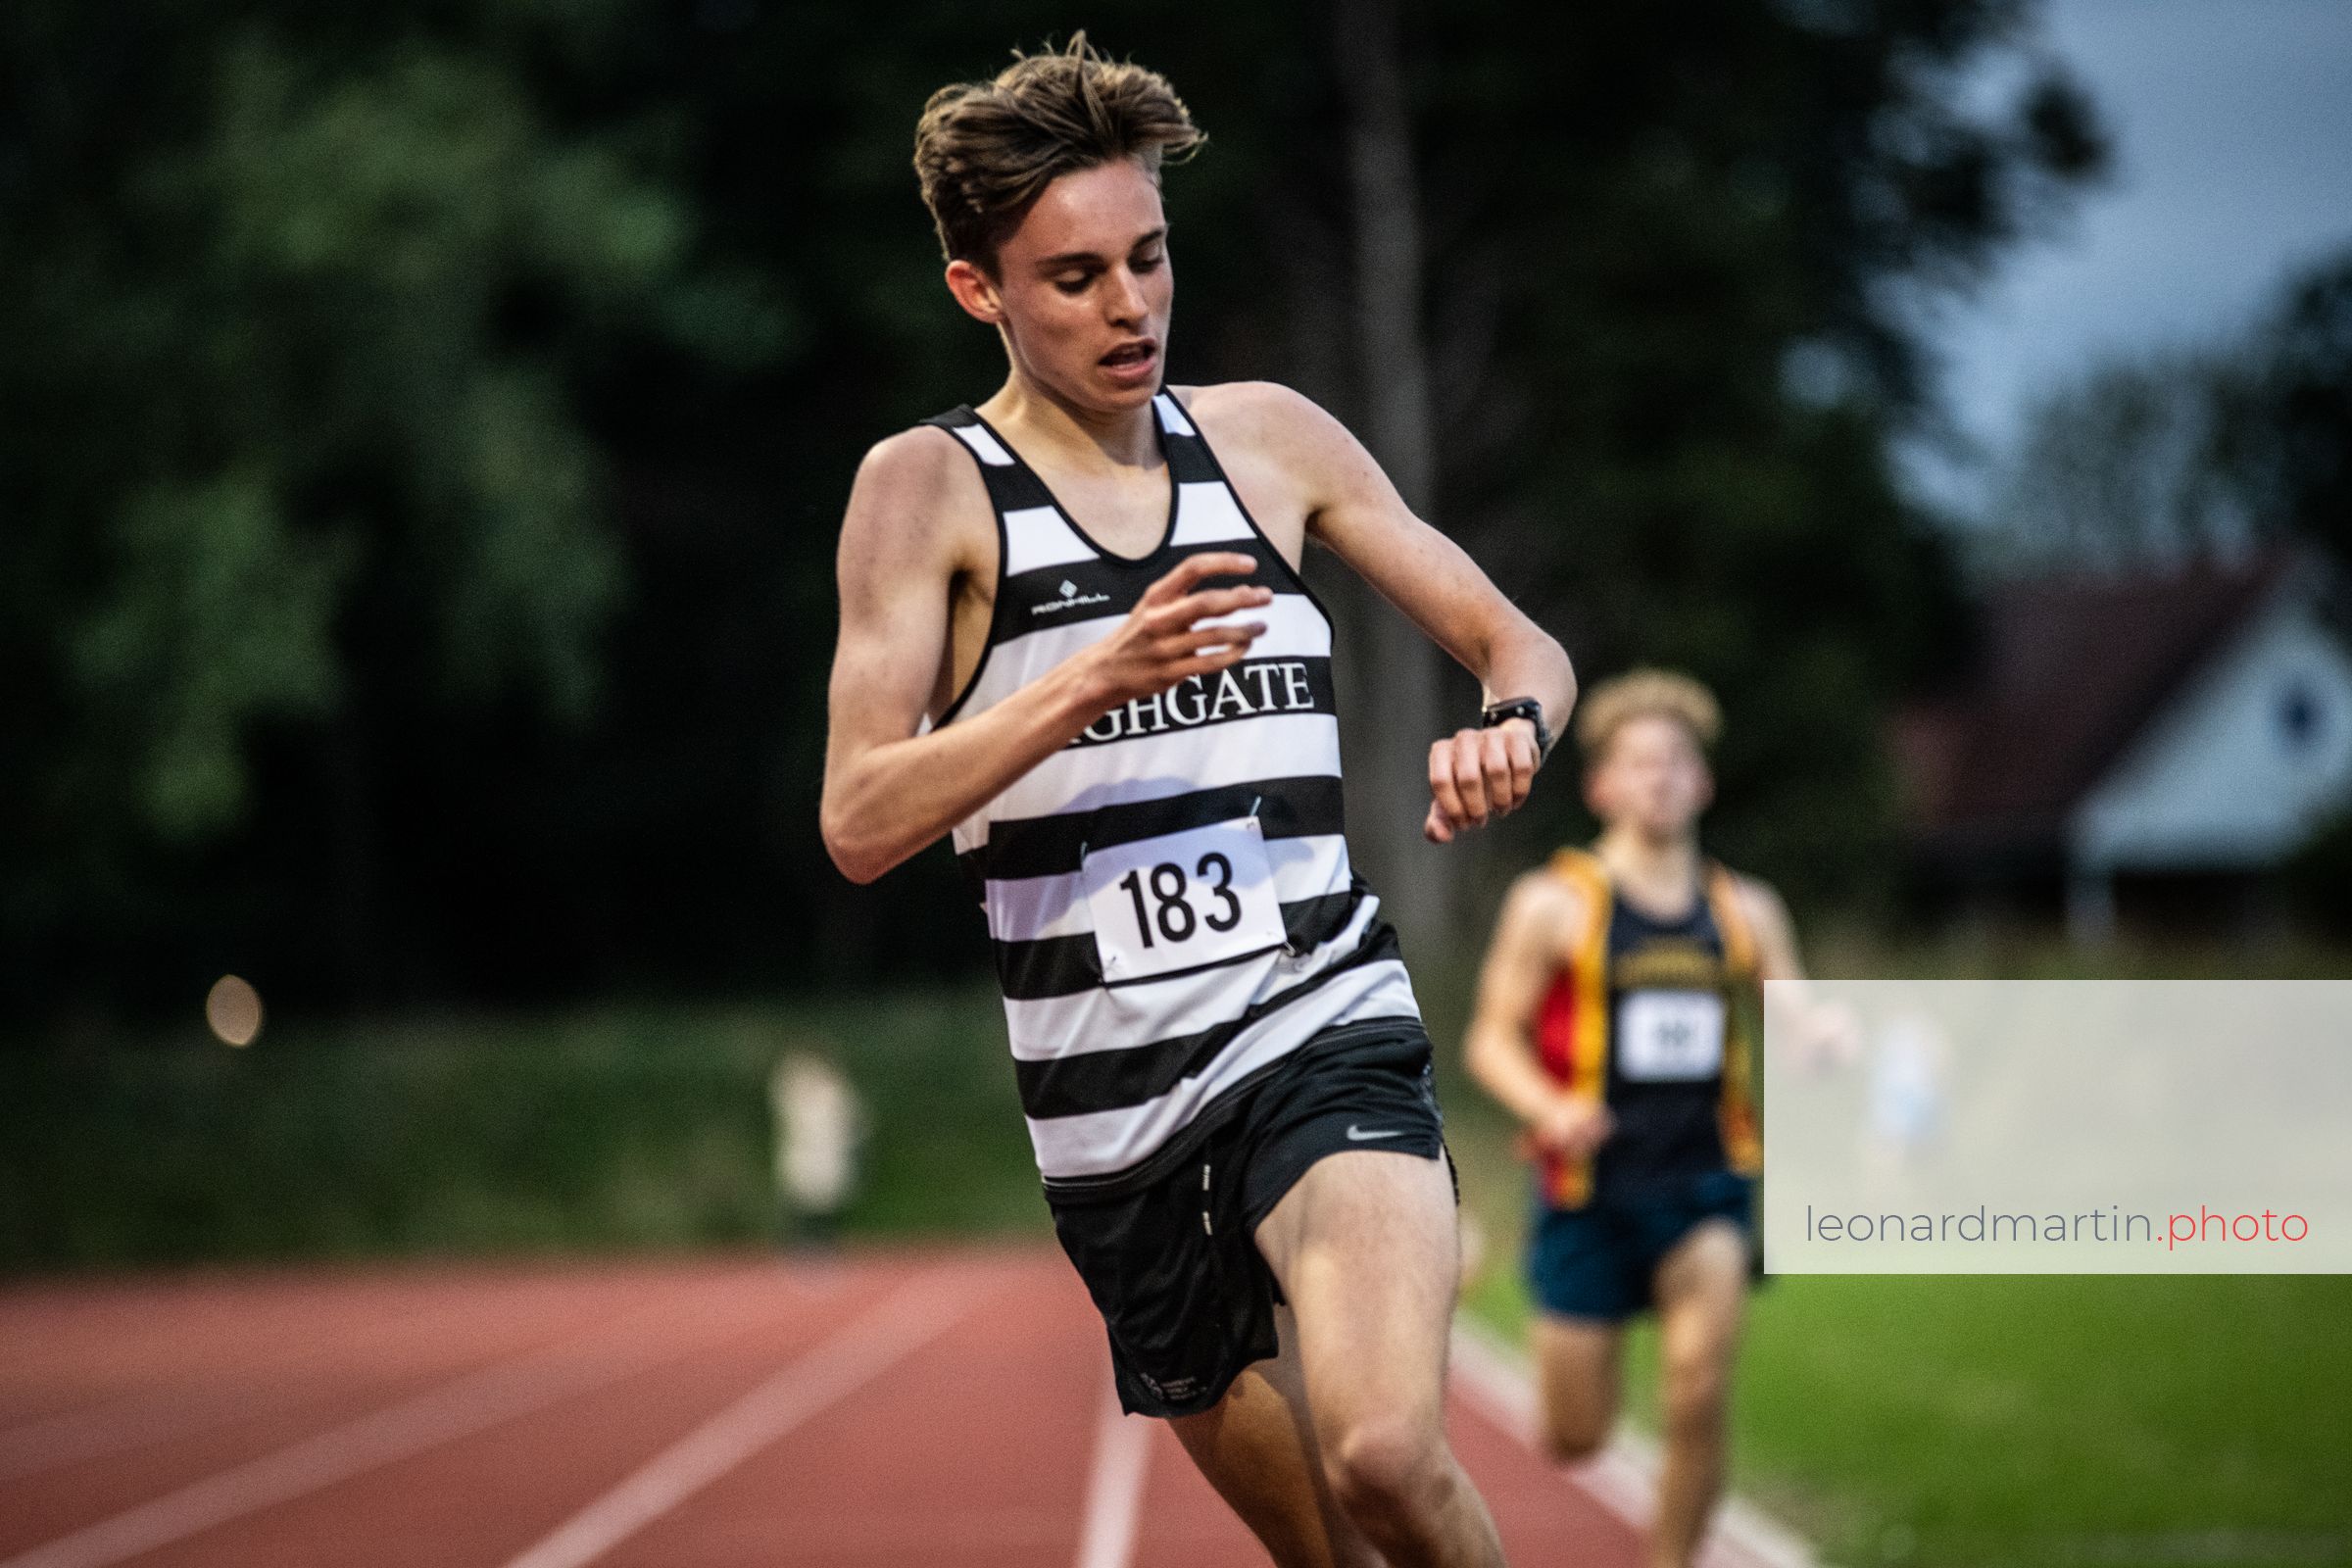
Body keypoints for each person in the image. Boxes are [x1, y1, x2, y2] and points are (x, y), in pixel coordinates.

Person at [818, 36, 1574, 1568]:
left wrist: (1512, 728)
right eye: (1075, 276)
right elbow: (859, 817)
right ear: (979, 290)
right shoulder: (927, 489)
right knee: (1329, 1552)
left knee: (1385, 1454)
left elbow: (1522, 645)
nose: (1131, 306)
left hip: (1319, 1024)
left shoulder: (1270, 442)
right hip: (1116, 1126)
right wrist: (1091, 679)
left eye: (1149, 258)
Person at [1461, 668, 1818, 1568]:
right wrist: (1550, 1106)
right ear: (1602, 786)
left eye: (1676, 761)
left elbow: (1796, 1018)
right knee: (1575, 1435)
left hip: (1706, 1184)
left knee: (1698, 1388)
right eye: (1640, 762)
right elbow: (1489, 1040)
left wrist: (1827, 1037)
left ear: (1702, 782)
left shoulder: (1747, 909)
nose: (1660, 777)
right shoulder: (1552, 903)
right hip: (1588, 1191)